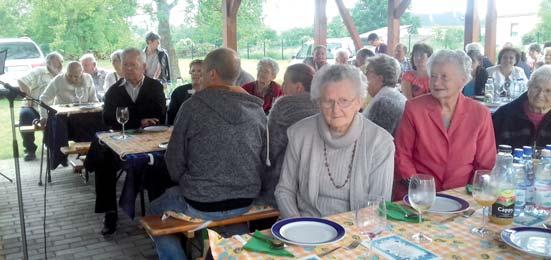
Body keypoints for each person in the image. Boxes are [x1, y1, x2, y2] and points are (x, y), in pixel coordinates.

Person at [148, 48, 267, 259]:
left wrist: (186, 181)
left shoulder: (192, 107)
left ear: (212, 74)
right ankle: (224, 250)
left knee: (153, 212)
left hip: (200, 201)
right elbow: (263, 156)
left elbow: (174, 160)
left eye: (201, 72)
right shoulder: (256, 110)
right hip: (245, 199)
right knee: (231, 222)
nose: (199, 77)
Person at [275, 64, 394, 219]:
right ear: (318, 102)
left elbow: (378, 204)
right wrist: (296, 225)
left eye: (344, 101)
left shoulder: (380, 142)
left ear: (359, 102)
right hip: (306, 224)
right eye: (328, 101)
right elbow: (284, 190)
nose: (335, 109)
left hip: (357, 232)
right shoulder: (299, 133)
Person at [394, 50, 497, 200]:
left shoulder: (480, 113)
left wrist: (469, 195)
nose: (436, 83)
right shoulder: (414, 108)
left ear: (463, 80)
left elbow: (486, 164)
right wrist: (419, 188)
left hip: (463, 198)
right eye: (433, 76)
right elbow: (402, 155)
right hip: (417, 196)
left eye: (444, 77)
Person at [95, 47, 166, 236]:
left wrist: (134, 120)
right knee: (103, 163)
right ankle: (110, 214)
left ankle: (156, 215)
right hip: (121, 142)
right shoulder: (114, 91)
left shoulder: (155, 86)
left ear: (143, 66)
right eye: (125, 65)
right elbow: (108, 118)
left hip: (151, 140)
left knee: (159, 163)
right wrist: (139, 121)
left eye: (132, 65)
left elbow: (159, 115)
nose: (127, 69)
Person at [257, 63, 318, 207]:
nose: (282, 86)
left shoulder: (284, 105)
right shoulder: (323, 103)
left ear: (298, 87)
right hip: (317, 182)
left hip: (286, 182)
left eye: (285, 82)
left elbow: (270, 152)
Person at [17, 52, 64, 161]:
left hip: (52, 108)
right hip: (33, 106)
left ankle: (54, 148)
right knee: (25, 115)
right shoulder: (39, 72)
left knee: (60, 119)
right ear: (49, 62)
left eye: (61, 62)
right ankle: (30, 150)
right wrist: (28, 97)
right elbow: (21, 80)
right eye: (57, 62)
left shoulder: (62, 75)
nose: (60, 64)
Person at [493, 65, 551, 149]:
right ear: (528, 87)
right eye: (536, 88)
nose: (540, 95)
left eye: (548, 91)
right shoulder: (503, 115)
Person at [363, 54, 406, 136]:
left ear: (380, 78)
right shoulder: (391, 96)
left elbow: (374, 141)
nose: (365, 76)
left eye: (367, 72)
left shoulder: (384, 104)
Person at [167, 59, 202, 125]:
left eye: (199, 71)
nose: (196, 73)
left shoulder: (210, 92)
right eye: (193, 71)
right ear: (190, 72)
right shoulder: (179, 92)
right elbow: (171, 116)